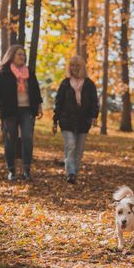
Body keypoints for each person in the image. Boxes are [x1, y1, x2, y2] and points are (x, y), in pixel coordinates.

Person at [0, 45, 43, 181]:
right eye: (19, 54)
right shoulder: (4, 72)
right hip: (9, 110)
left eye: (23, 55)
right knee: (10, 139)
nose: (22, 57)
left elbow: (36, 90)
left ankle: (26, 170)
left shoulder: (29, 72)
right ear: (12, 56)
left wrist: (39, 107)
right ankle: (11, 170)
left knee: (27, 138)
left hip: (27, 110)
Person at [53, 56, 99, 184]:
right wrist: (55, 120)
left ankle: (75, 172)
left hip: (83, 121)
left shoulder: (89, 84)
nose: (75, 68)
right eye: (72, 66)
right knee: (71, 145)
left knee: (79, 149)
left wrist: (94, 116)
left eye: (77, 66)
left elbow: (94, 102)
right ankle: (70, 173)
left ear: (82, 67)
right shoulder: (65, 83)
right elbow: (58, 102)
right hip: (66, 120)